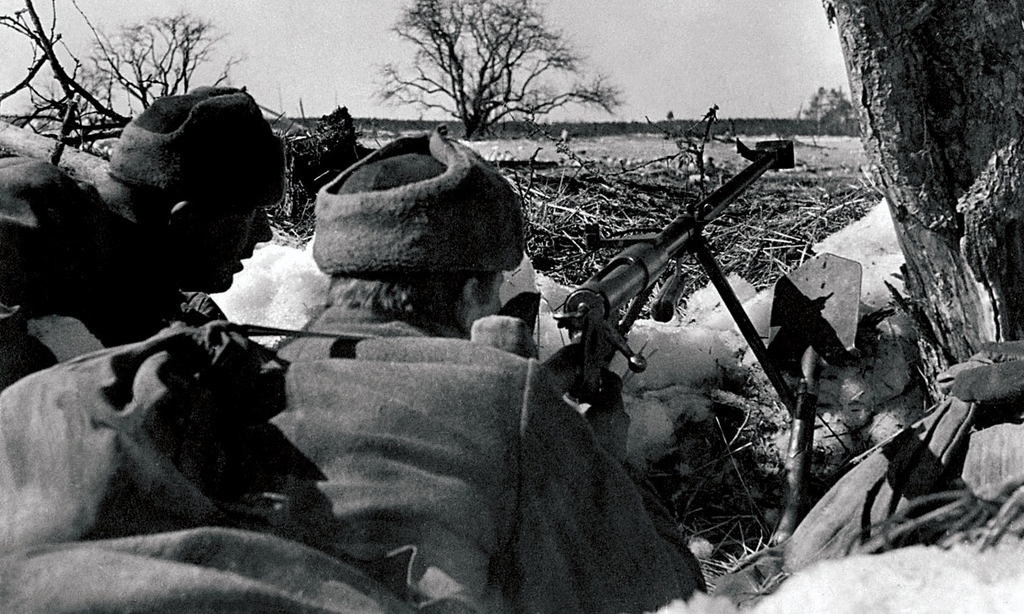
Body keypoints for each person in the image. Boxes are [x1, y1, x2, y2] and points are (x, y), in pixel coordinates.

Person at [257, 128, 704, 612]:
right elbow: (668, 589)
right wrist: (606, 457)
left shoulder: (260, 370)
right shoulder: (508, 404)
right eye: (494, 288)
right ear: (471, 293)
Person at [0, 86, 285, 388]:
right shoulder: (28, 215)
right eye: (253, 214)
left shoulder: (143, 287)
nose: (264, 234)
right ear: (185, 222)